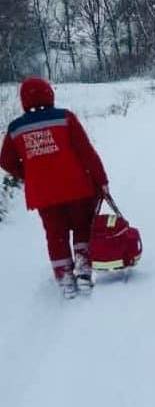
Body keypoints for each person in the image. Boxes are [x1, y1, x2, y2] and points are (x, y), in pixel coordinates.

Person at [0, 77, 109, 299]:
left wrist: (28, 173)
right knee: (82, 226)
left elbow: (5, 161)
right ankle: (84, 269)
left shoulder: (15, 129)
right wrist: (101, 180)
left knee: (55, 234)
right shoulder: (65, 118)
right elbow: (86, 152)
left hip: (44, 195)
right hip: (77, 187)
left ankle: (65, 277)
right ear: (49, 94)